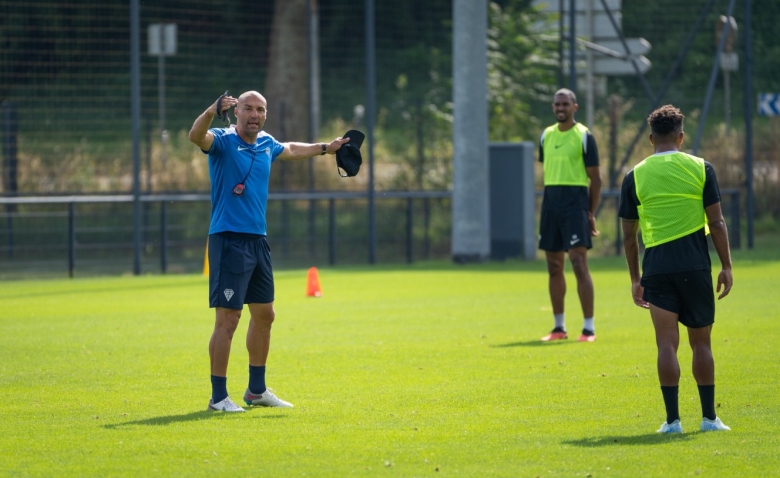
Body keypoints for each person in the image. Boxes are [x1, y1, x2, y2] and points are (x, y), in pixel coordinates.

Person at [188, 91, 349, 412]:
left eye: (260, 110)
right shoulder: (221, 140)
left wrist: (325, 148)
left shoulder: (266, 143)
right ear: (236, 113)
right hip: (228, 239)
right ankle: (218, 398)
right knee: (229, 320)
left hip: (258, 241)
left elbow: (289, 149)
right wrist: (210, 109)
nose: (254, 114)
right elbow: (195, 136)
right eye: (248, 108)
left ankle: (256, 391)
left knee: (265, 315)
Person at [618, 104, 733, 433]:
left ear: (651, 139)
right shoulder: (701, 168)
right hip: (696, 266)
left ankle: (672, 422)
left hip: (657, 267)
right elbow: (717, 221)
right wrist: (726, 266)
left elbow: (628, 236)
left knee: (666, 344)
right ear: (681, 137)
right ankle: (710, 419)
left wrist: (635, 278)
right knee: (702, 344)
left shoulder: (635, 175)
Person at [537, 88, 602, 342]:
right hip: (551, 204)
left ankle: (588, 328)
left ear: (575, 107)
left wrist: (590, 212)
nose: (560, 108)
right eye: (556, 104)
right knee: (554, 266)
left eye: (565, 104)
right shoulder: (546, 135)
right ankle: (558, 327)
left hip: (575, 205)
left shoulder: (584, 136)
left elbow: (596, 179)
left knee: (578, 264)